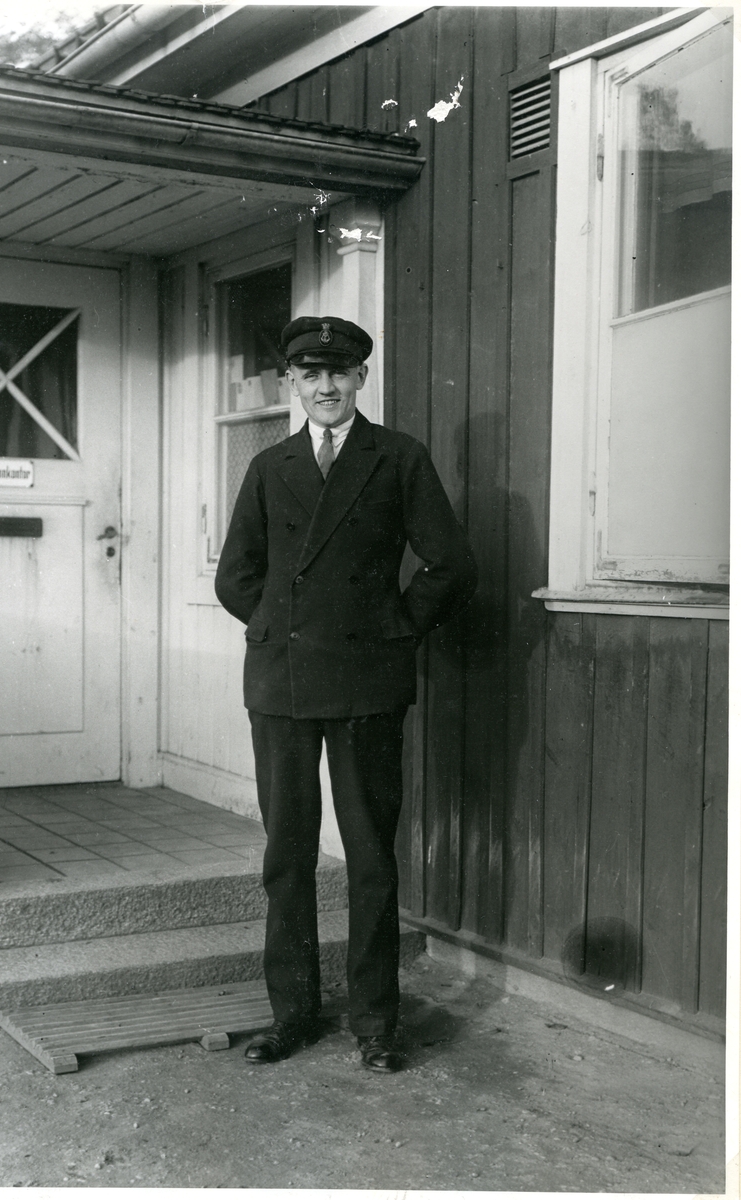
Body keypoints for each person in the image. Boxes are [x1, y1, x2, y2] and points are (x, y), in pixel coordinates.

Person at [215, 315, 477, 1073]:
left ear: (361, 378)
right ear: (291, 383)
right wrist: (277, 624)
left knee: (369, 858)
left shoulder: (397, 457)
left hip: (367, 681)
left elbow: (451, 565)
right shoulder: (269, 465)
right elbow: (235, 575)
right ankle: (292, 1014)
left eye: (338, 373)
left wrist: (394, 626)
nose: (325, 387)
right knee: (286, 857)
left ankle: (375, 1022)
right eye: (310, 374)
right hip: (283, 683)